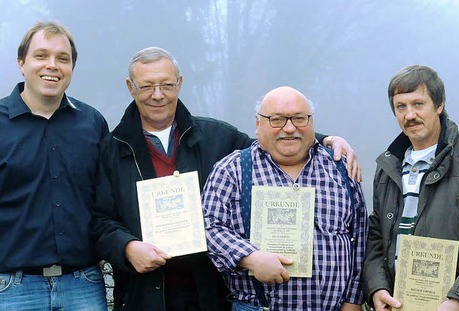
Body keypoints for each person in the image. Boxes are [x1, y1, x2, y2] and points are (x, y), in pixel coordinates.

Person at [90, 47, 360, 311]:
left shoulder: (217, 136)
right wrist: (127, 248)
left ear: (180, 84)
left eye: (166, 85)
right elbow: (101, 221)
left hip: (209, 291)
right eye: (147, 86)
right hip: (145, 292)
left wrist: (325, 139)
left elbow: (274, 138)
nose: (158, 95)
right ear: (130, 87)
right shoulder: (111, 149)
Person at [202, 86, 368, 310]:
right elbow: (208, 227)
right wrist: (249, 257)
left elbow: (360, 238)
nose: (289, 128)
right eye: (277, 119)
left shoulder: (341, 169)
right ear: (258, 123)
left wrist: (353, 300)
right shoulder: (232, 170)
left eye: (299, 118)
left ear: (311, 122)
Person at [363, 65, 459, 311]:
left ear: (439, 105)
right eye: (401, 107)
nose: (409, 115)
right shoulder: (387, 166)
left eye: (418, 104)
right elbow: (377, 236)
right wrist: (377, 289)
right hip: (398, 304)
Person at [0, 21, 108, 310]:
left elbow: (107, 200)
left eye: (63, 58)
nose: (53, 65)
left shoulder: (92, 123)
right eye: (41, 55)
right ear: (22, 63)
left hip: (83, 284)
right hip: (12, 288)